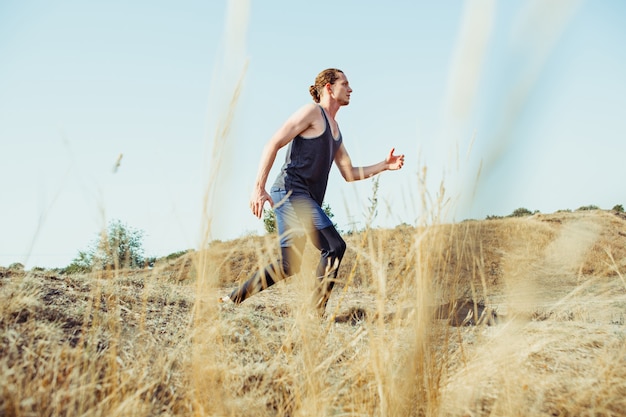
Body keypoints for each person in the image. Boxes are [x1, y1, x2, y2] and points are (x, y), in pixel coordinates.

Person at [220, 68, 405, 315]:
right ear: (329, 87)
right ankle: (314, 316)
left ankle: (232, 300)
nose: (351, 89)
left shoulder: (336, 131)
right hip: (290, 191)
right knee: (334, 246)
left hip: (300, 198)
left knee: (289, 264)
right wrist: (257, 187)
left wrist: (384, 165)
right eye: (345, 83)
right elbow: (273, 143)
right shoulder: (312, 112)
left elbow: (349, 173)